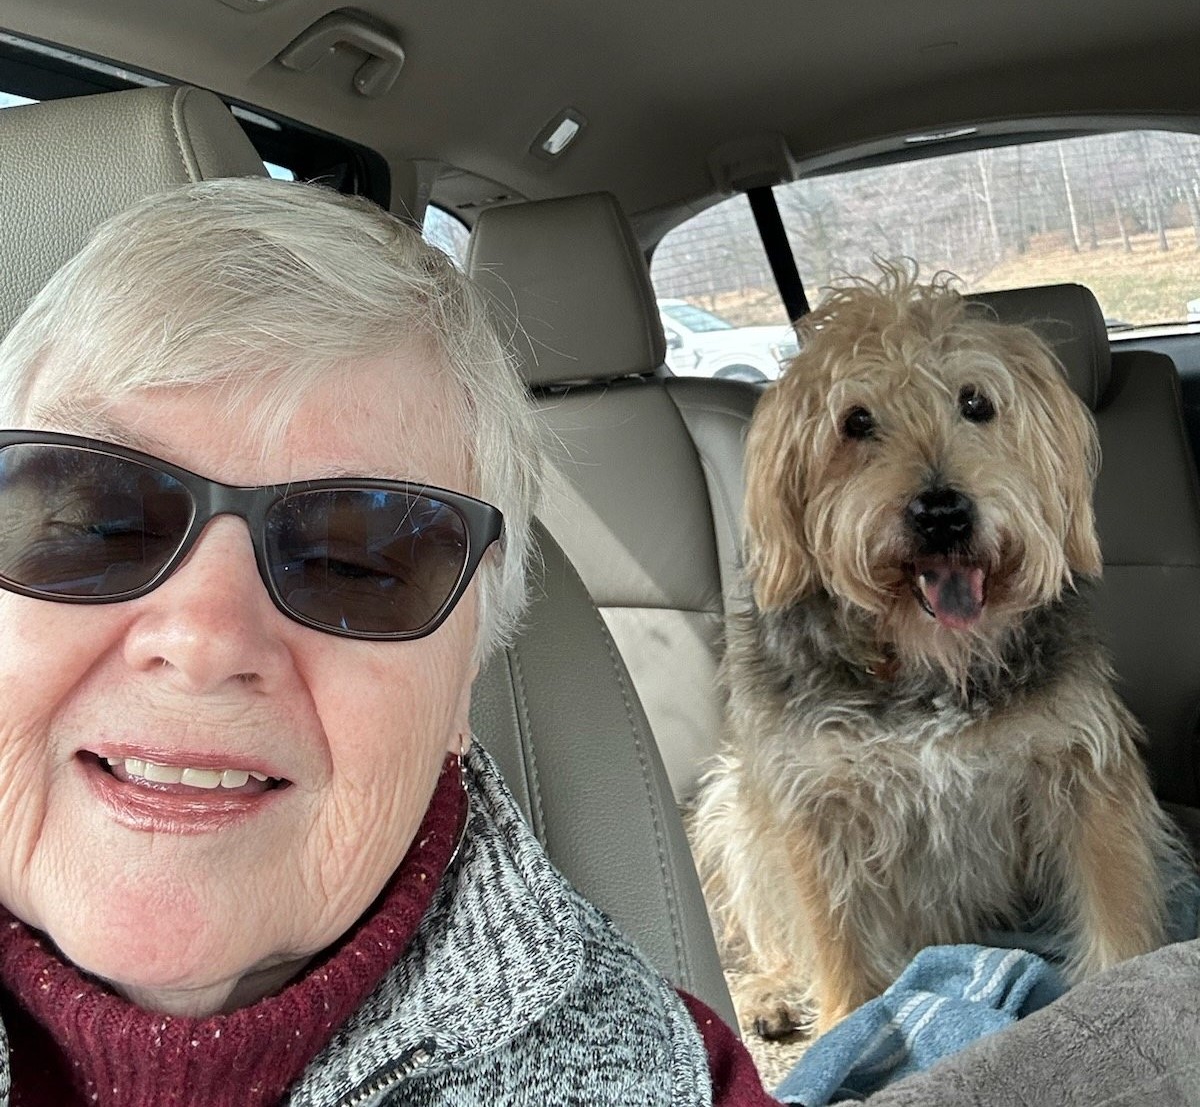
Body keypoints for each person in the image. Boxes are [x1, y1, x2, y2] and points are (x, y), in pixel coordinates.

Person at [0, 175, 1194, 1107]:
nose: (200, 639)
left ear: (469, 674)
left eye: (357, 557)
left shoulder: (634, 1056)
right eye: (91, 520)